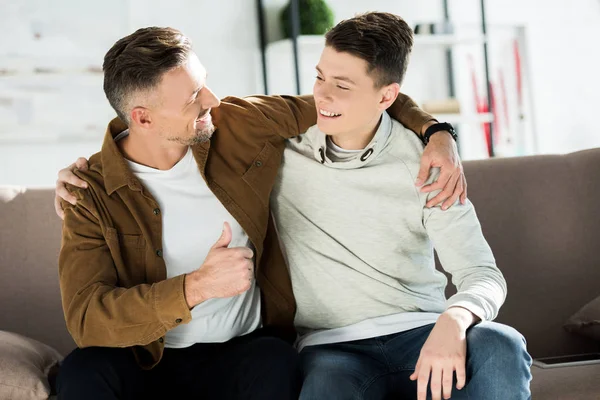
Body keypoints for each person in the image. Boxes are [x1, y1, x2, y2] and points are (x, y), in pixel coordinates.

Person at [53, 26, 464, 399]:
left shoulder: (237, 123)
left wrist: (438, 133)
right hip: (143, 357)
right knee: (82, 372)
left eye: (205, 84)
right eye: (194, 97)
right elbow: (87, 317)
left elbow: (357, 98)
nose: (212, 101)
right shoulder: (89, 192)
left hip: (242, 352)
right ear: (143, 118)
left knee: (275, 360)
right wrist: (195, 287)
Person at [268, 12, 532, 400]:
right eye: (320, 76)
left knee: (501, 345)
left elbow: (482, 274)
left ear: (387, 96)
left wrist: (456, 318)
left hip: (422, 331)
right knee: (326, 386)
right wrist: (439, 129)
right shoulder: (280, 151)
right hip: (331, 348)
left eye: (342, 85)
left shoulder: (427, 162)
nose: (321, 95)